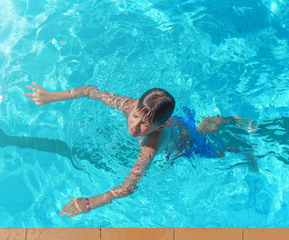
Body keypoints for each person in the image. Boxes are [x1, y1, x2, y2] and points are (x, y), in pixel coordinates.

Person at [24, 82, 256, 218]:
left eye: (145, 124)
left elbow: (129, 187)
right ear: (134, 105)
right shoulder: (128, 105)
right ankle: (227, 120)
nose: (135, 126)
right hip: (177, 125)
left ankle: (243, 147)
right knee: (203, 125)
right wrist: (51, 96)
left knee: (215, 148)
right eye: (135, 115)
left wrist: (89, 203)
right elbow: (90, 91)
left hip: (187, 144)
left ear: (160, 126)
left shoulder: (152, 144)